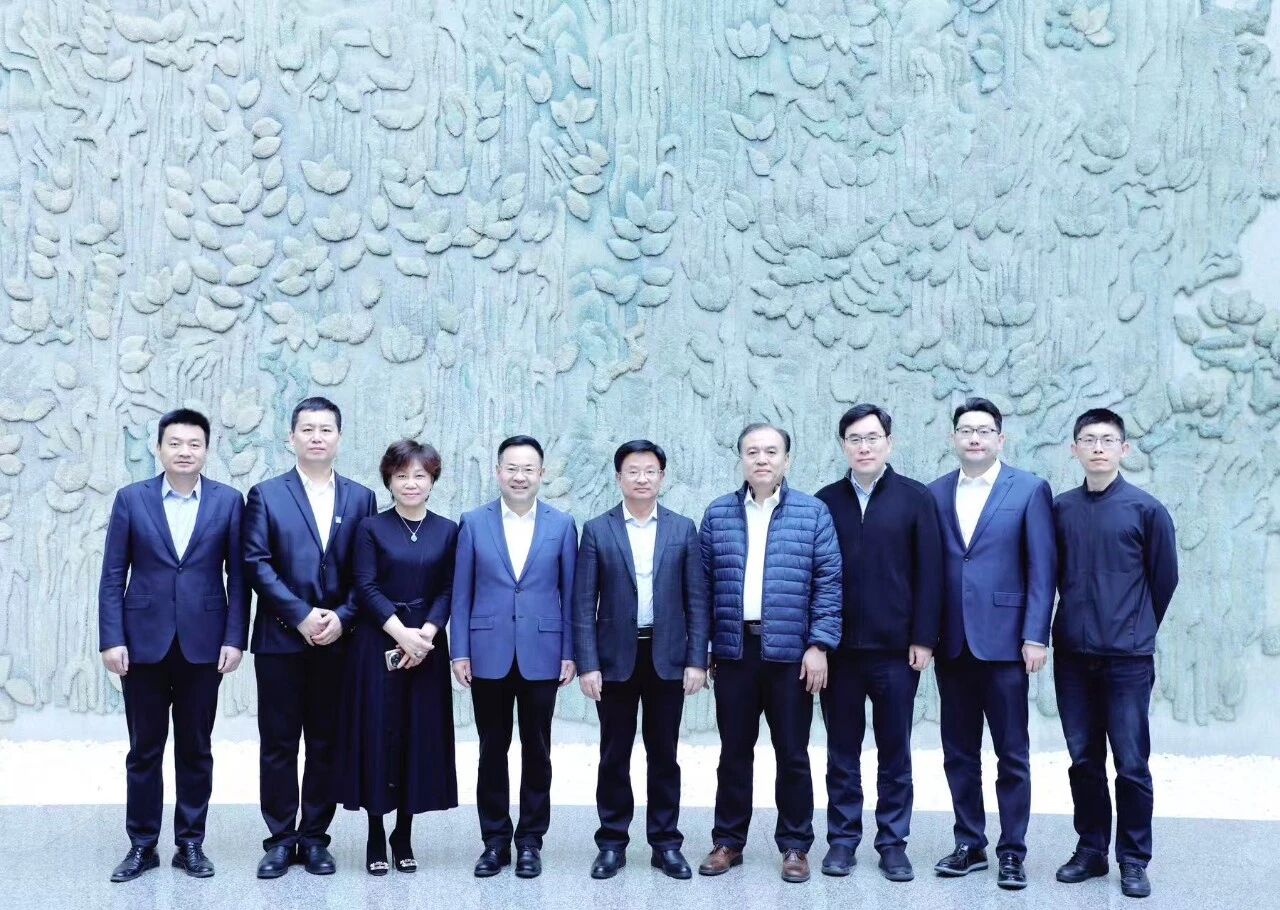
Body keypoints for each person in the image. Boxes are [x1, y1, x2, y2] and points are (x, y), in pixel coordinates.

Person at [98, 408, 250, 882]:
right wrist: (111, 639)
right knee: (144, 749)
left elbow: (239, 578)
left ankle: (190, 843)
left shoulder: (229, 502)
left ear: (206, 449)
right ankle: (142, 844)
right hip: (142, 644)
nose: (185, 452)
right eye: (176, 443)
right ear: (159, 447)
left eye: (194, 444)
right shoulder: (131, 499)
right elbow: (112, 576)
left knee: (196, 748)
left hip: (204, 644)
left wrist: (234, 638)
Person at [697, 422, 842, 884]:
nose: (762, 459)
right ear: (741, 458)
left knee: (792, 753)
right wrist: (703, 649)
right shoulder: (718, 514)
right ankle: (728, 841)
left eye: (771, 451)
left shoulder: (813, 513)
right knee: (733, 753)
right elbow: (702, 588)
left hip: (791, 655)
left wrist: (819, 644)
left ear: (787, 459)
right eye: (753, 451)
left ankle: (795, 845)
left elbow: (828, 584)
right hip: (735, 652)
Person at [244, 397, 377, 878]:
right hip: (280, 640)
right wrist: (300, 616)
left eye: (325, 429)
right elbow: (256, 562)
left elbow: (368, 571)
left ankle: (316, 838)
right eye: (307, 429)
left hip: (338, 640)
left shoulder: (361, 498)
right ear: (291, 437)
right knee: (278, 743)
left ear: (339, 437)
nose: (316, 437)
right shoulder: (265, 494)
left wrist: (343, 617)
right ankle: (281, 840)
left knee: (325, 742)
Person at [927, 397, 1055, 890]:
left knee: (1011, 754)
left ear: (1000, 438)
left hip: (1006, 644)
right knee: (958, 752)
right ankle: (969, 843)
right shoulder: (936, 493)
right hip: (953, 643)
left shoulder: (1029, 489)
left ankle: (1012, 851)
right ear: (953, 439)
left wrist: (1035, 635)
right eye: (966, 430)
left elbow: (1042, 568)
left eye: (983, 430)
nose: (974, 438)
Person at [1051, 409, 1178, 899]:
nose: (1098, 448)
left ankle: (1133, 859)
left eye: (1108, 440)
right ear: (1075, 449)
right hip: (1073, 656)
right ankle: (1091, 850)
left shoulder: (1146, 510)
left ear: (1124, 449)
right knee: (1083, 759)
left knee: (1131, 762)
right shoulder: (1061, 509)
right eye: (1089, 439)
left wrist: (1135, 628)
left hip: (1128, 659)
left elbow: (1164, 579)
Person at [814, 403, 943, 881]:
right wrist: (817, 643)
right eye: (855, 439)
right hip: (840, 654)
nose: (864, 446)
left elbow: (931, 573)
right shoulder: (824, 501)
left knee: (895, 751)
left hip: (896, 653)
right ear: (843, 445)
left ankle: (892, 843)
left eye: (872, 438)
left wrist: (924, 638)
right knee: (841, 752)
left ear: (889, 442)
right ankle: (842, 840)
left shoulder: (915, 498)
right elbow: (814, 577)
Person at [572, 440, 711, 880]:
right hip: (615, 658)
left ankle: (666, 843)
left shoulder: (682, 529)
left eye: (650, 470)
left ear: (662, 477)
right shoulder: (597, 530)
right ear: (619, 478)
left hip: (667, 657)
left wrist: (697, 660)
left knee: (664, 754)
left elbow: (697, 600)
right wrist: (588, 664)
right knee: (613, 754)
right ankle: (612, 843)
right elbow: (583, 604)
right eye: (633, 471)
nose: (642, 478)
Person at [451, 435, 577, 879]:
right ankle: (494, 841)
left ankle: (530, 842)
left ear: (541, 474)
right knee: (492, 749)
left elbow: (570, 595)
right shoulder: (473, 522)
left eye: (528, 469)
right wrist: (459, 651)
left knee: (537, 750)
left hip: (544, 653)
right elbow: (461, 593)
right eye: (511, 468)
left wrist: (569, 652)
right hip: (487, 652)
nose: (519, 476)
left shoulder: (562, 524)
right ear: (498, 471)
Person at [336, 440, 459, 875]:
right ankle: (375, 832)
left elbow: (449, 587)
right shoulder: (370, 528)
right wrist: (401, 634)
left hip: (427, 647)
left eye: (419, 475)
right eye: (402, 475)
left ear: (432, 480)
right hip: (377, 645)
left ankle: (402, 834)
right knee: (377, 735)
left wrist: (426, 633)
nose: (411, 483)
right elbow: (365, 586)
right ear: (388, 480)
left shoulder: (448, 530)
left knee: (415, 736)